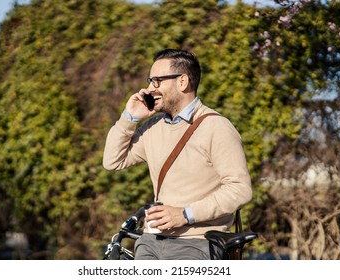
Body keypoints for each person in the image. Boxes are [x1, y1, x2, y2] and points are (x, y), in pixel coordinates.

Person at [102, 49, 252, 260]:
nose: (149, 88)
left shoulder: (216, 127)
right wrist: (130, 117)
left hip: (197, 242)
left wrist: (184, 215)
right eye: (150, 81)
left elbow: (240, 189)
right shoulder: (153, 126)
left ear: (182, 82)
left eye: (156, 81)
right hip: (150, 241)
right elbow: (112, 161)